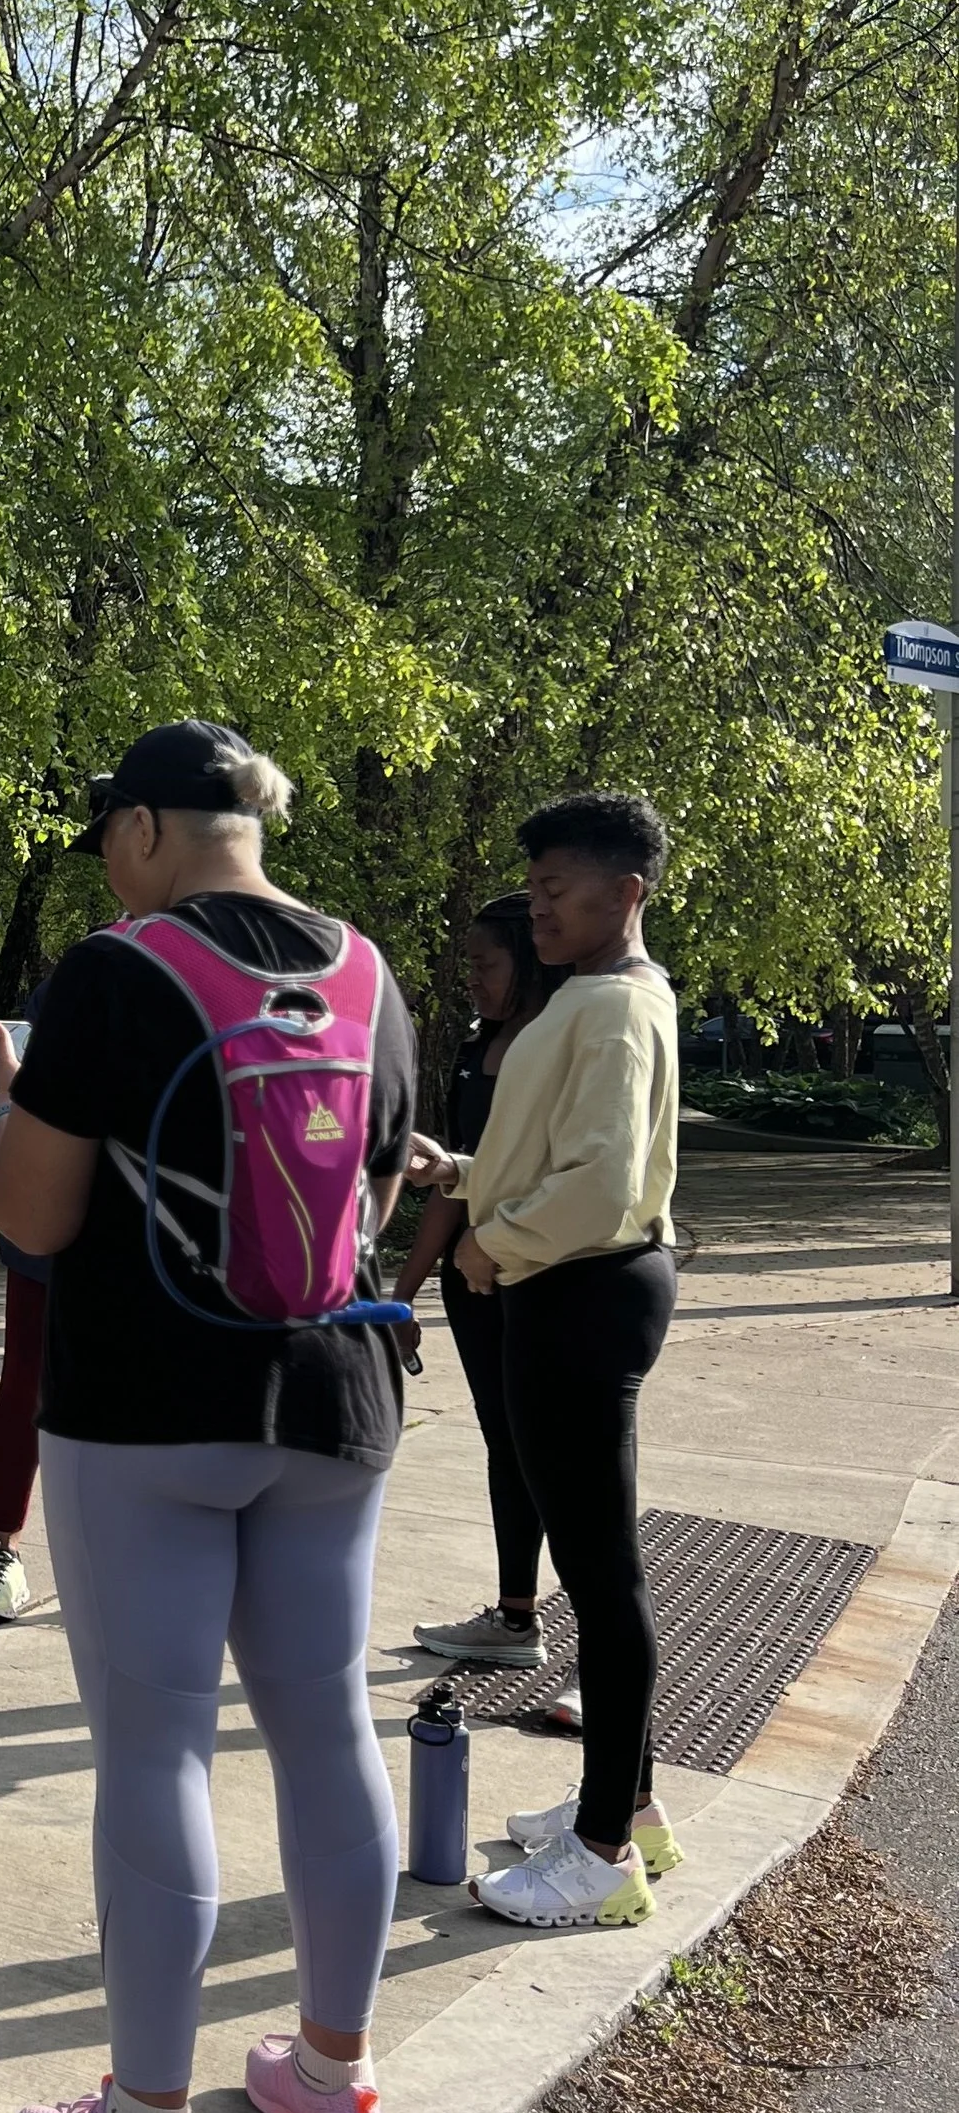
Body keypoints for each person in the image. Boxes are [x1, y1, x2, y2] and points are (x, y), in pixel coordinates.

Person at [0, 721, 417, 2113]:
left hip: (146, 1411)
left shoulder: (116, 972)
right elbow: (366, 1195)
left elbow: (30, 1220)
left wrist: (14, 1111)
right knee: (327, 1720)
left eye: (113, 826)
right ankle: (335, 2081)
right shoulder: (372, 973)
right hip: (334, 1396)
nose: (107, 853)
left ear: (159, 829)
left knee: (157, 1748)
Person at [407, 790, 682, 1930]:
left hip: (576, 1293)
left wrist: (487, 1243)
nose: (538, 911)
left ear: (625, 893)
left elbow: (600, 1189)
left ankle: (603, 1854)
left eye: (556, 892)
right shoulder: (595, 999)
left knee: (602, 1579)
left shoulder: (615, 1007)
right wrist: (461, 1174)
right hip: (571, 1287)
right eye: (531, 893)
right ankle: (630, 1805)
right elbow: (550, 1158)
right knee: (595, 1564)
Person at [394, 895, 567, 1671]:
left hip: (540, 1277)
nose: (471, 977)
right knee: (505, 1441)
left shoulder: (560, 1047)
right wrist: (404, 1292)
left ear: (527, 963)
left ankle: (595, 1658)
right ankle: (515, 1613)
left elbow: (559, 1175)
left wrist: (496, 1242)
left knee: (554, 1453)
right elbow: (455, 1184)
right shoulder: (474, 1051)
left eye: (484, 963)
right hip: (473, 1284)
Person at [0, 981, 49, 1625]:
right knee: (25, 1380)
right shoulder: (82, 986)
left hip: (147, 1246)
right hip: (47, 1237)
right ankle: (4, 1552)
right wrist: (7, 1111)